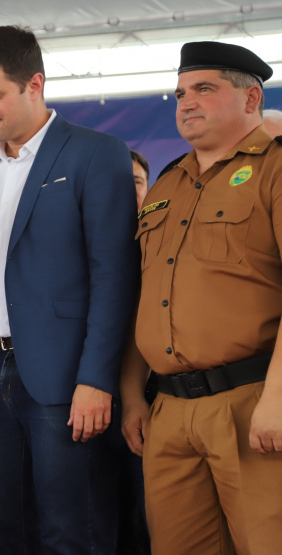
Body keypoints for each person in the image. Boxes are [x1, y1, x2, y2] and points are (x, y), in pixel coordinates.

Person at [0, 26, 139, 554]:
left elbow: (115, 274)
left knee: (71, 527)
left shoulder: (97, 153)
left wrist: (97, 378)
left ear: (34, 84)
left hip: (66, 375)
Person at [121, 41, 282, 555]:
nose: (186, 102)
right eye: (180, 92)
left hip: (252, 400)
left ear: (251, 98)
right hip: (168, 410)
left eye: (204, 89)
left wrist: (279, 399)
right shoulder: (169, 182)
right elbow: (144, 297)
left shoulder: (274, 168)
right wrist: (131, 395)